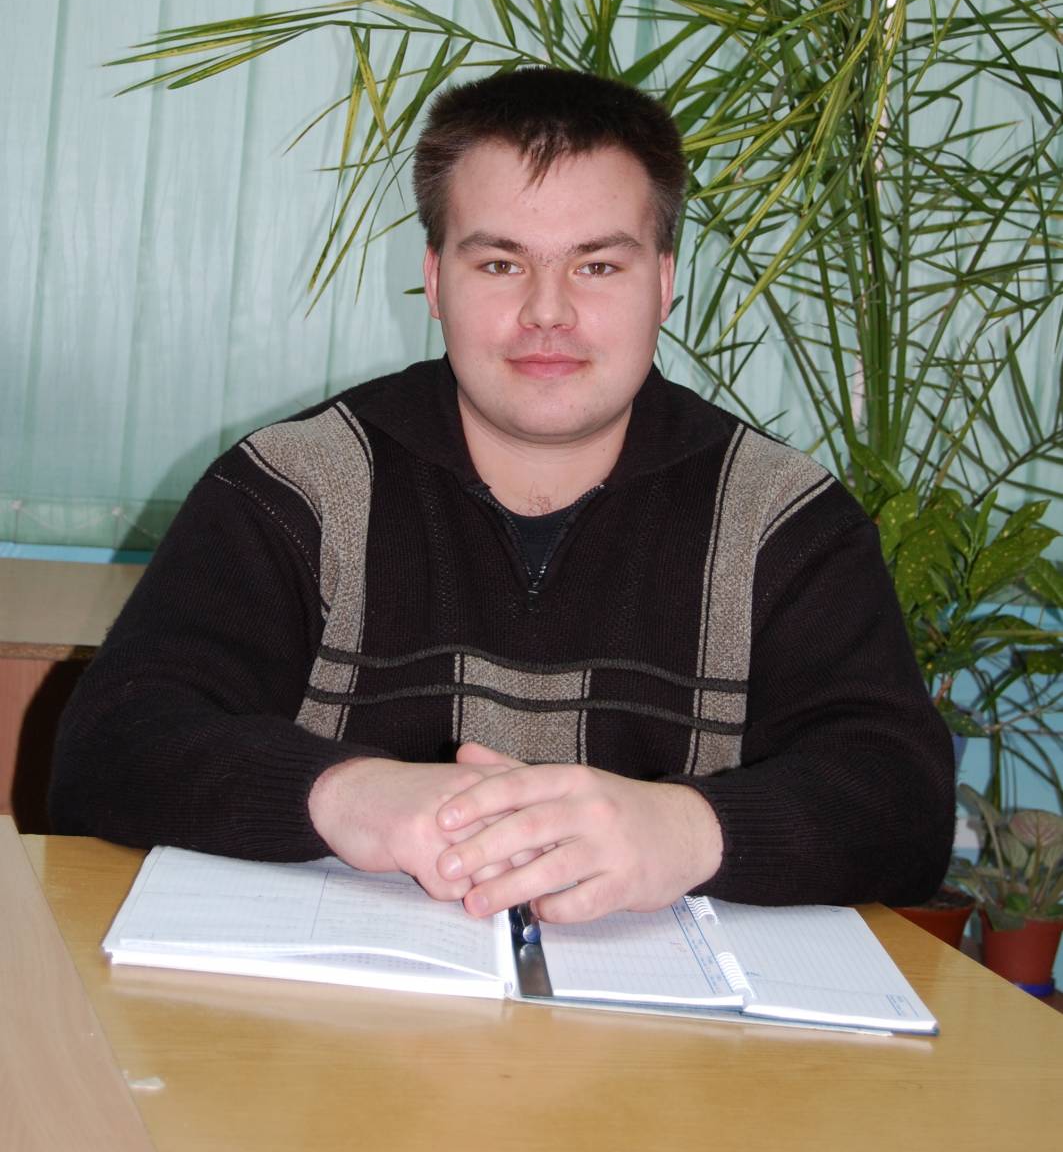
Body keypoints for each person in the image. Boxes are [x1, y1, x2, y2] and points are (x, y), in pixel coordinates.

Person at [50, 67, 954, 923]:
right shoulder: (294, 485)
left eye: (597, 266)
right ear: (434, 279)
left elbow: (903, 803)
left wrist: (683, 829)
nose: (547, 312)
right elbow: (110, 746)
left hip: (668, 1025)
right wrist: (348, 795)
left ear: (664, 284)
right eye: (499, 264)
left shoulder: (783, 517)